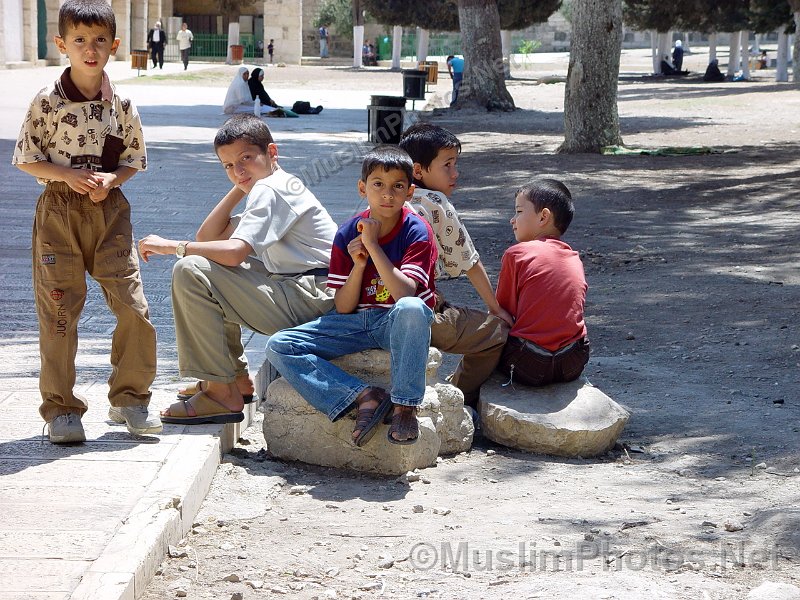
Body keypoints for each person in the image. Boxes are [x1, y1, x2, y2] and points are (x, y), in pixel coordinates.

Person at [12, 0, 160, 444]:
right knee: (59, 311)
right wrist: (69, 175)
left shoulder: (123, 104)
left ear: (114, 45)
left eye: (99, 40)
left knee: (133, 306)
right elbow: (26, 159)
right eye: (79, 40)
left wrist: (111, 179)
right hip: (59, 212)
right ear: (62, 45)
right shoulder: (46, 101)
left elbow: (135, 158)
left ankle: (130, 398)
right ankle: (61, 410)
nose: (89, 49)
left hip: (110, 212)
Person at [138, 115, 337, 424]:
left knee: (191, 270)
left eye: (246, 158)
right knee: (207, 264)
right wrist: (242, 183)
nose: (238, 170)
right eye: (228, 166)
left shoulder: (270, 189)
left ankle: (220, 392)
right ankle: (235, 379)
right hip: (315, 293)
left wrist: (171, 246)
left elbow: (233, 252)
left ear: (272, 153)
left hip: (314, 298)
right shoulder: (272, 184)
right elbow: (210, 237)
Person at [266, 146, 437, 446]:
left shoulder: (416, 231)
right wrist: (358, 265)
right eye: (378, 185)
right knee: (279, 345)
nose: (387, 194)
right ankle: (363, 395)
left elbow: (404, 293)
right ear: (362, 188)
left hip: (395, 322)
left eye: (398, 186)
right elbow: (343, 307)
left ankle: (405, 407)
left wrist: (373, 247)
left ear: (409, 192)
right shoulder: (347, 233)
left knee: (412, 307)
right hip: (355, 322)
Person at [399, 123, 511, 408]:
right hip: (421, 312)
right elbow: (469, 261)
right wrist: (495, 309)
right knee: (496, 333)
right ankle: (460, 398)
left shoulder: (387, 201)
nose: (455, 173)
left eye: (455, 164)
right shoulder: (435, 202)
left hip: (379, 306)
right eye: (447, 165)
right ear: (418, 171)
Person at [495, 179, 589, 387]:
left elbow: (503, 313)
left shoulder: (516, 254)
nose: (513, 219)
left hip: (528, 363)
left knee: (486, 331)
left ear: (543, 217)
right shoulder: (573, 257)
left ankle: (468, 396)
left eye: (518, 211)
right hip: (572, 362)